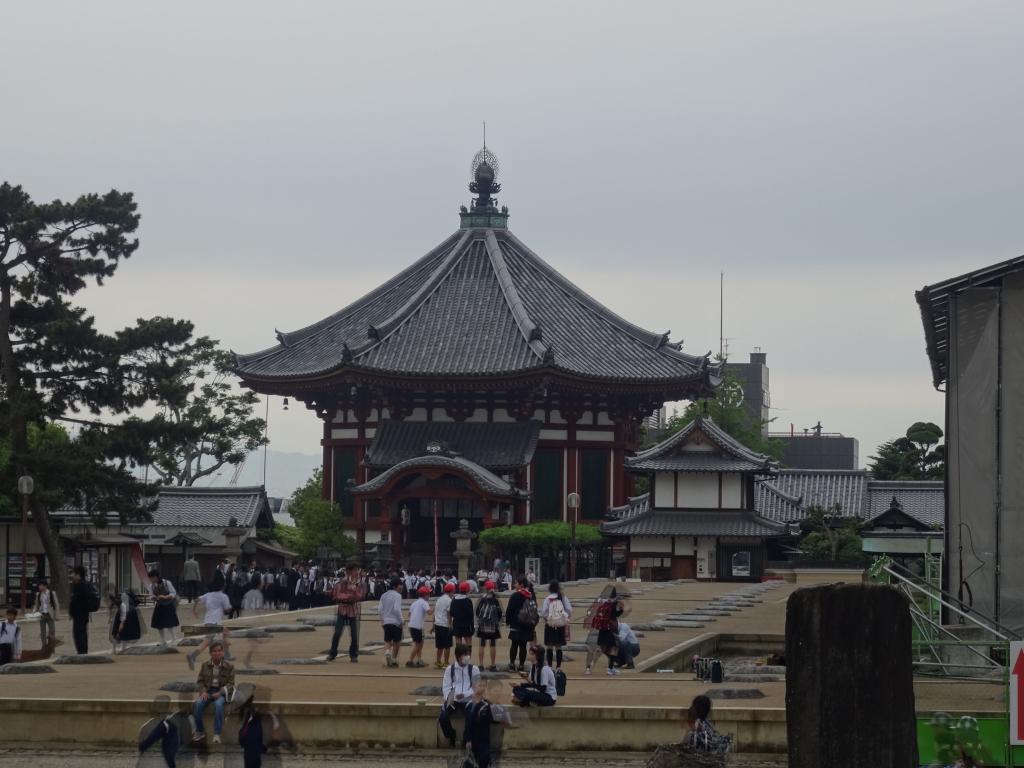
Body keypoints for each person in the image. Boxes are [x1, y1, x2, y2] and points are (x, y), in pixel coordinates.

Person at [462, 675, 515, 768]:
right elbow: (468, 724)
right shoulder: (468, 705)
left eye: (484, 685)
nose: (482, 688)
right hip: (471, 741)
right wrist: (467, 739)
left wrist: (504, 720)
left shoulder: (487, 704)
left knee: (484, 760)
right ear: (473, 686)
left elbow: (495, 718)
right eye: (480, 685)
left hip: (484, 741)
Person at [191, 640, 235, 744]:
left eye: (219, 651)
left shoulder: (229, 666)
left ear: (222, 652)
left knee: (219, 705)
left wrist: (220, 693)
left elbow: (231, 684)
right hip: (208, 691)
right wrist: (203, 692)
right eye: (214, 651)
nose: (217, 653)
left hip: (221, 692)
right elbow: (200, 681)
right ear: (210, 653)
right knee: (198, 704)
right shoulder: (205, 665)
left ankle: (217, 733)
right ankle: (200, 731)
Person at [438, 644, 478, 748]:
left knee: (472, 715)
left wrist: (465, 694)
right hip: (453, 700)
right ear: (458, 656)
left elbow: (476, 687)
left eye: (468, 654)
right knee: (443, 717)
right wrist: (450, 698)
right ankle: (451, 735)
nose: (468, 657)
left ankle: (466, 739)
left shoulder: (474, 669)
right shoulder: (449, 669)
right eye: (465, 655)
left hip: (468, 700)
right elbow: (446, 687)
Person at [185, 586, 233, 670]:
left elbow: (197, 599)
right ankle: (193, 654)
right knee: (207, 641)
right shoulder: (223, 596)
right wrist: (229, 608)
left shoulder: (208, 595)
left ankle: (226, 655)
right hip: (215, 622)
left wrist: (194, 610)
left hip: (208, 620)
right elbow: (227, 609)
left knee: (224, 632)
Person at [327, 562, 365, 663]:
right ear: (349, 571)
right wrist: (350, 596)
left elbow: (360, 595)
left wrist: (351, 595)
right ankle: (332, 653)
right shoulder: (342, 582)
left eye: (357, 570)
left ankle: (353, 654)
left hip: (353, 609)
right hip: (342, 609)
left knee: (354, 634)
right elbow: (337, 595)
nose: (357, 572)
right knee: (337, 632)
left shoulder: (358, 583)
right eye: (355, 570)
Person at [504, 576, 537, 672]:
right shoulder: (531, 595)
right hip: (527, 625)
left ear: (521, 584)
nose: (515, 585)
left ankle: (512, 664)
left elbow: (509, 610)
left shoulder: (515, 596)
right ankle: (521, 665)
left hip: (515, 623)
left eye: (516, 583)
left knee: (514, 644)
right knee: (523, 645)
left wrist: (508, 621)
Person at [540, 580, 572, 671]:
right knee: (559, 646)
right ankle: (558, 666)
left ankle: (550, 666)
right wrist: (565, 618)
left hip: (550, 624)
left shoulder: (548, 599)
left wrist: (547, 619)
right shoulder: (562, 598)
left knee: (549, 646)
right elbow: (569, 610)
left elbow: (544, 612)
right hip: (560, 624)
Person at [475, 580, 502, 672]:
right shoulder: (496, 599)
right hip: (493, 625)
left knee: (482, 644)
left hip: (482, 624)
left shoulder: (482, 598)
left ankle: (481, 665)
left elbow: (477, 612)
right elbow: (500, 613)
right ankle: (493, 665)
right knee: (492, 644)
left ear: (485, 588)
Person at [148, 570, 180, 646]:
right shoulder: (151, 586)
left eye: (152, 578)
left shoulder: (167, 583)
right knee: (159, 624)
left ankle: (174, 639)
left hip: (168, 604)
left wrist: (165, 596)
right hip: (159, 605)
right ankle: (163, 640)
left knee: (170, 623)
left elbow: (173, 593)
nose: (151, 580)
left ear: (156, 577)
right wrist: (153, 598)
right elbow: (151, 595)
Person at [379, 576, 404, 668]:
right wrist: (402, 620)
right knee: (397, 641)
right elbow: (397, 609)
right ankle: (393, 659)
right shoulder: (397, 596)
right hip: (395, 622)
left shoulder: (384, 595)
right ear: (394, 587)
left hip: (386, 622)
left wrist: (382, 620)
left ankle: (387, 652)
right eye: (400, 586)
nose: (401, 588)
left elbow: (380, 609)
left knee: (387, 640)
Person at [109, 586, 143, 654]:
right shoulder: (130, 598)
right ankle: (121, 649)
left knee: (116, 631)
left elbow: (122, 607)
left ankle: (115, 649)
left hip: (125, 613)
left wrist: (122, 622)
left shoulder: (123, 598)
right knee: (125, 633)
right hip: (131, 614)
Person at [406, 585, 432, 668]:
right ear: (425, 595)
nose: (429, 596)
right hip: (417, 627)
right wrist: (435, 608)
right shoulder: (424, 603)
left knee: (420, 643)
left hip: (412, 625)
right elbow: (429, 612)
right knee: (418, 644)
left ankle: (419, 660)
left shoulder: (415, 602)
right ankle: (410, 660)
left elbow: (409, 614)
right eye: (428, 594)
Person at [69, 565, 92, 654]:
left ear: (78, 575)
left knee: (79, 634)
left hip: (80, 614)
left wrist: (72, 612)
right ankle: (83, 652)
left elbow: (75, 600)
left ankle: (82, 652)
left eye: (74, 573)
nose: (72, 575)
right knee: (82, 633)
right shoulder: (84, 584)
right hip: (82, 614)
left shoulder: (80, 585)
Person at [33, 579, 59, 650]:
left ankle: (51, 647)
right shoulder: (38, 594)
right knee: (43, 632)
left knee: (52, 631)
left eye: (41, 585)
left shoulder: (51, 593)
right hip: (42, 615)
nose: (39, 587)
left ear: (45, 586)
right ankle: (44, 647)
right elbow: (36, 604)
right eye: (39, 586)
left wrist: (56, 616)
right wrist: (34, 612)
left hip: (50, 615)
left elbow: (56, 605)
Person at [434, 581, 455, 669]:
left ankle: (438, 662)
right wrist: (450, 624)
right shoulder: (449, 600)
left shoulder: (439, 599)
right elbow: (449, 613)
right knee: (447, 645)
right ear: (451, 591)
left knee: (440, 645)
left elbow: (436, 612)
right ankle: (446, 662)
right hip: (445, 624)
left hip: (437, 623)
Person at [451, 581, 475, 647]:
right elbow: (471, 615)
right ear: (467, 590)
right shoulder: (468, 601)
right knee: (468, 643)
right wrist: (472, 626)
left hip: (457, 624)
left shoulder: (454, 600)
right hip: (466, 625)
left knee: (458, 643)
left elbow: (452, 613)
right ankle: (467, 657)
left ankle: (459, 657)